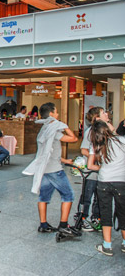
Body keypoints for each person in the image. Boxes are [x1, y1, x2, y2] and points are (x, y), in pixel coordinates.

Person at [22, 102, 78, 234]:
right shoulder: (54, 130)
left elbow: (48, 152)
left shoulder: (44, 129)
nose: (58, 114)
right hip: (54, 170)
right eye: (57, 112)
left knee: (44, 197)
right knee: (68, 195)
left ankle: (43, 224)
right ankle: (63, 225)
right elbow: (74, 138)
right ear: (52, 114)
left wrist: (65, 160)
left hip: (44, 169)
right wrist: (64, 126)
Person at [87, 120, 125, 256]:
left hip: (103, 182)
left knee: (105, 212)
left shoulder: (96, 145)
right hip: (121, 181)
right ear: (107, 128)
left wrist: (103, 168)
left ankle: (107, 246)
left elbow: (90, 166)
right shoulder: (122, 140)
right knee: (123, 213)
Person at [80, 107, 110, 231]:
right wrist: (96, 158)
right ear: (97, 118)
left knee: (99, 196)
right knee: (87, 195)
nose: (107, 114)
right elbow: (83, 150)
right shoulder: (90, 132)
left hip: (101, 171)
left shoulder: (105, 130)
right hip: (92, 172)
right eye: (104, 113)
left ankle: (96, 217)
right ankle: (82, 218)